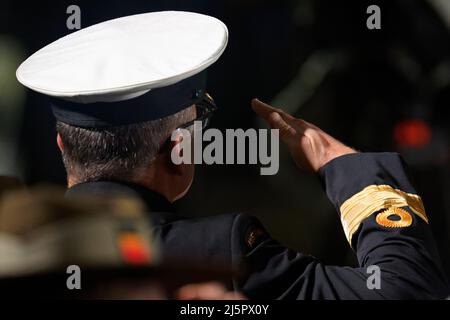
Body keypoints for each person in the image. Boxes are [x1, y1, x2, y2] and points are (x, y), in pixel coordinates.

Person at [16, 11, 448, 299]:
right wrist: (350, 170)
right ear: (180, 150)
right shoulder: (216, 254)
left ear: (61, 146)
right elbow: (407, 290)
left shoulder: (16, 250)